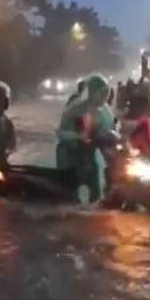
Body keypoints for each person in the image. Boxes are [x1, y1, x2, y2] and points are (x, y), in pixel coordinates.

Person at [57, 73, 115, 203]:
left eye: (106, 92)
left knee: (96, 192)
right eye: (101, 92)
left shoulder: (105, 112)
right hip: (69, 156)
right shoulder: (76, 110)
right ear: (92, 92)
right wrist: (77, 136)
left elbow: (108, 135)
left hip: (88, 156)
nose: (104, 96)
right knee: (68, 195)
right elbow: (61, 134)